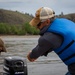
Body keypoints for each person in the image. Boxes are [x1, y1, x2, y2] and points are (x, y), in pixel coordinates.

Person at [27, 7, 75, 75]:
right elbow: (54, 43)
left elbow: (33, 55)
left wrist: (31, 55)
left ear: (47, 21)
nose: (37, 27)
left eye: (38, 24)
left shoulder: (48, 38)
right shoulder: (65, 22)